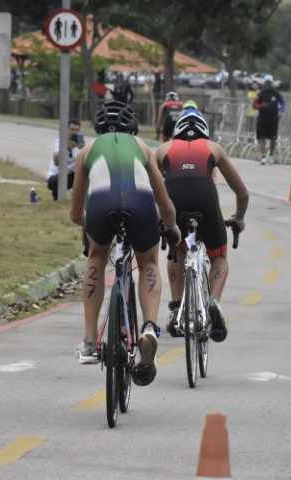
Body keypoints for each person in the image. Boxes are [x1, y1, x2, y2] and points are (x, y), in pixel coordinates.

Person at [70, 100, 181, 387]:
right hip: (140, 203)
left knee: (96, 258)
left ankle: (89, 341)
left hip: (101, 204)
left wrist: (90, 232)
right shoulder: (142, 147)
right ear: (132, 128)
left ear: (98, 128)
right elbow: (165, 203)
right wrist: (171, 227)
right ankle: (149, 328)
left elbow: (75, 214)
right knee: (148, 263)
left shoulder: (86, 150)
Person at [155, 106, 249, 343]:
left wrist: (159, 218)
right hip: (205, 195)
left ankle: (176, 308)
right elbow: (242, 193)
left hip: (173, 195)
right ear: (205, 132)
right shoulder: (213, 148)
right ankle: (213, 302)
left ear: (176, 132)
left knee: (177, 249)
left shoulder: (164, 148)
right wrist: (238, 218)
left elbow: (150, 186)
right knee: (219, 257)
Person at [47, 119, 83, 200]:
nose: (74, 132)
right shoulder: (60, 142)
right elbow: (56, 162)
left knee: (86, 173)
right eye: (72, 129)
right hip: (56, 177)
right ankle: (57, 197)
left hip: (72, 176)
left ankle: (80, 199)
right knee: (57, 181)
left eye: (77, 130)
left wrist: (83, 149)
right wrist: (68, 148)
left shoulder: (80, 144)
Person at [254, 74, 284, 165]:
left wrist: (281, 111)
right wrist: (261, 106)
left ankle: (271, 155)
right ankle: (263, 156)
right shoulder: (260, 93)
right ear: (264, 83)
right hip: (262, 119)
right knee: (261, 137)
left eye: (269, 82)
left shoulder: (276, 93)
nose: (268, 84)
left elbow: (282, 102)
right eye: (267, 82)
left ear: (272, 83)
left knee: (273, 138)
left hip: (273, 119)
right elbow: (254, 105)